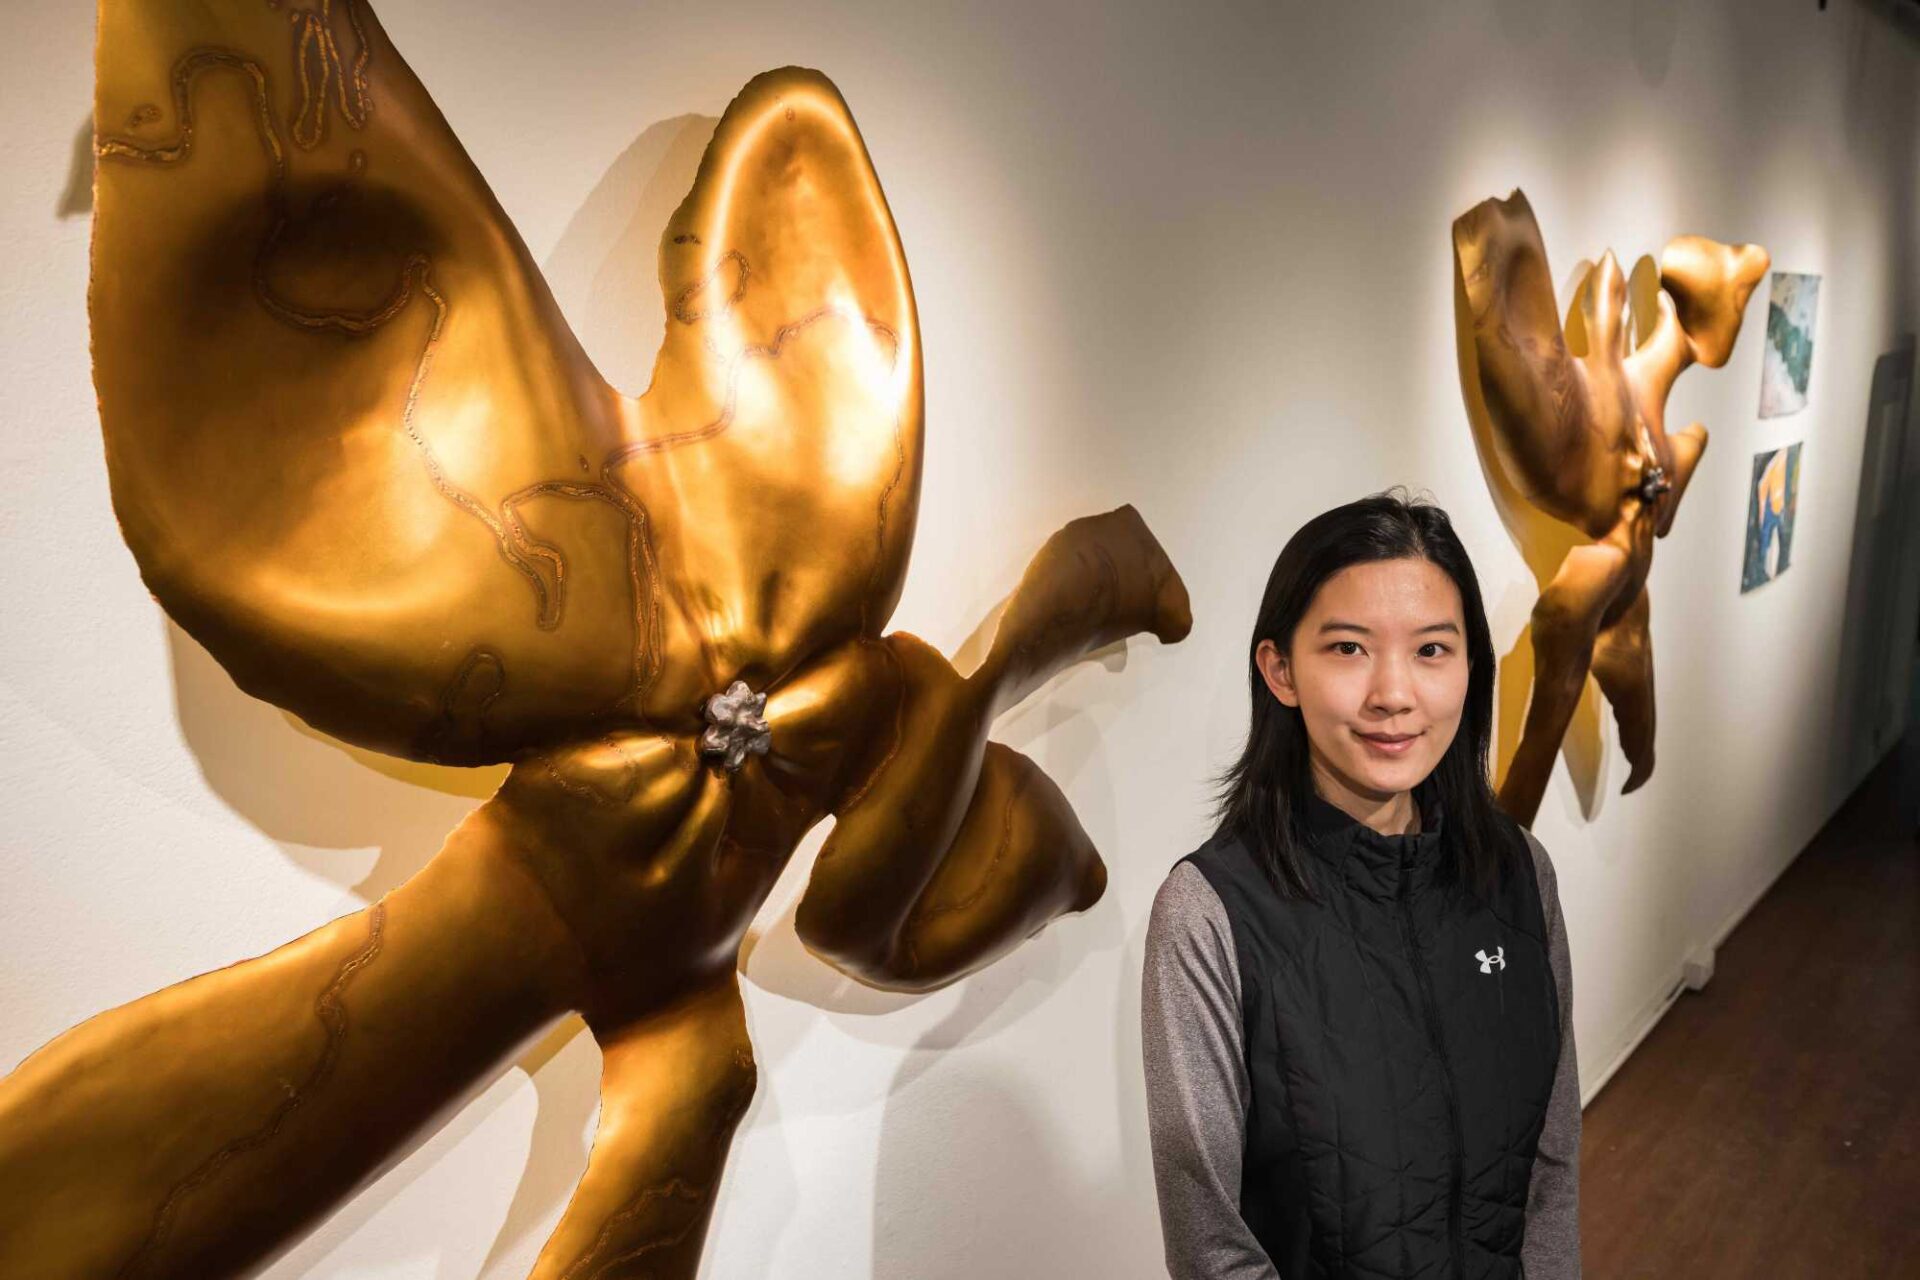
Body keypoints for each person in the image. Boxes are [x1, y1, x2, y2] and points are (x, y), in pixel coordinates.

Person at [1142, 490, 1580, 1279]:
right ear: (1280, 670)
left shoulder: (1519, 873)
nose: (1394, 694)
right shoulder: (1210, 915)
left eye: (1432, 650)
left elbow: (1550, 1166)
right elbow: (1211, 1241)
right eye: (1347, 649)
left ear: (1470, 667)